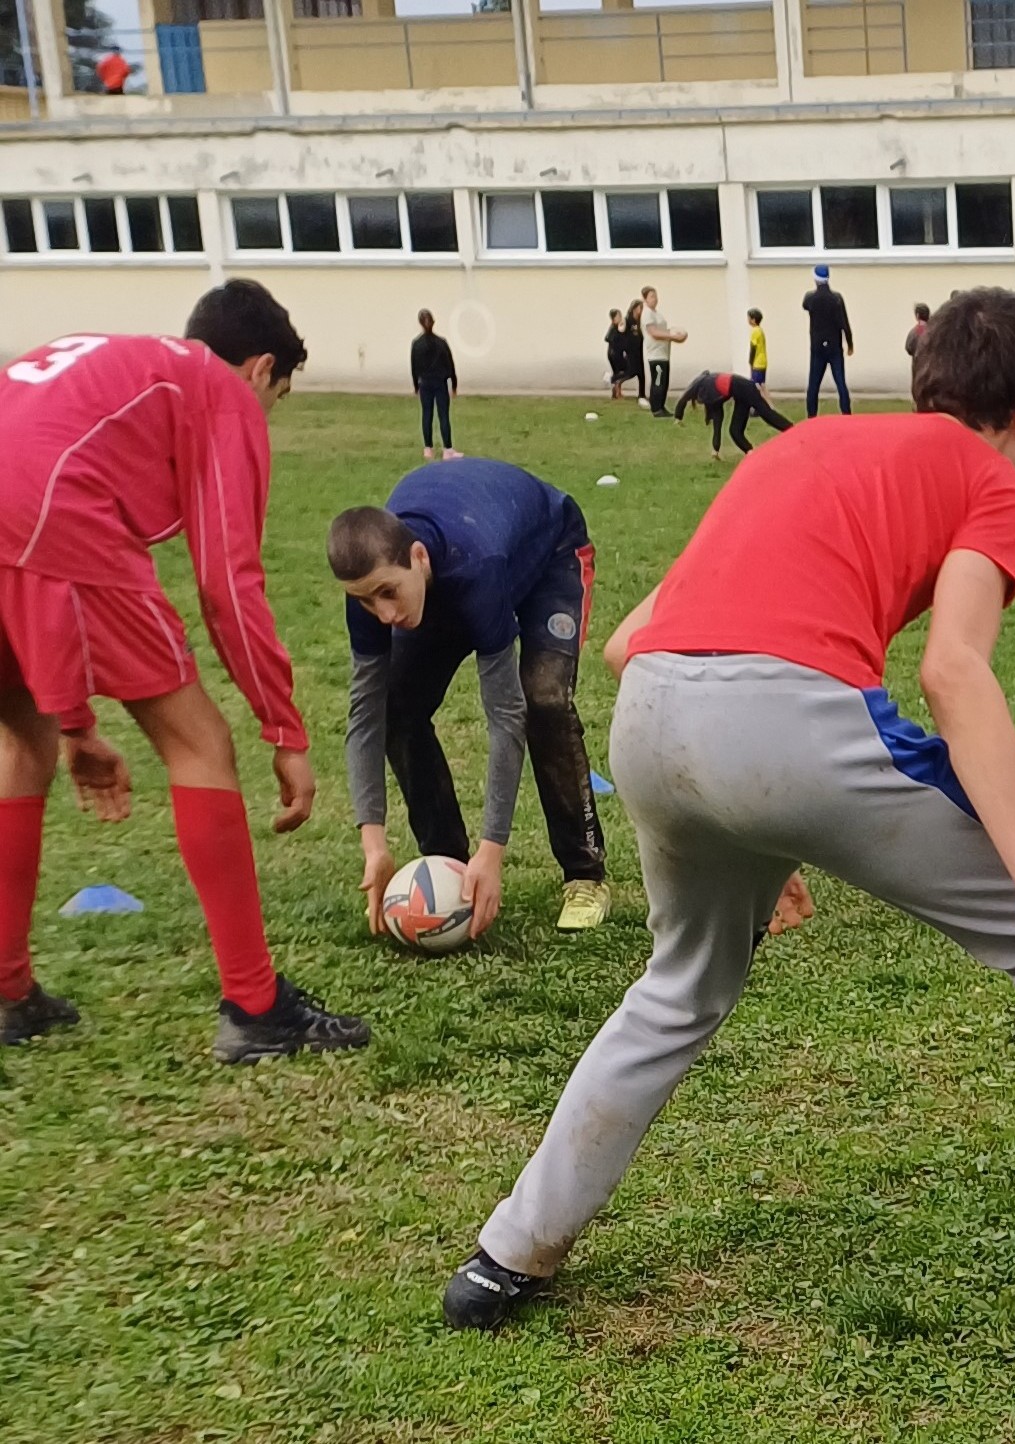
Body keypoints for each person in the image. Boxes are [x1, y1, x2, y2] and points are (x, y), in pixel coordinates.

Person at [441, 287, 1015, 1344]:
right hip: (781, 721)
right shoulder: (994, 480)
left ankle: (505, 1255)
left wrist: (757, 814)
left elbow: (624, 642)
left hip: (651, 723)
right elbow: (954, 672)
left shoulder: (800, 446)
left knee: (676, 990)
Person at [0, 281, 369, 1062]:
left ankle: (7, 991)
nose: (263, 419)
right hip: (52, 509)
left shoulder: (117, 358)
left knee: (20, 744)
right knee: (200, 743)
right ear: (260, 368)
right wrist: (283, 726)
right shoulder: (218, 391)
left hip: (23, 496)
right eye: (275, 399)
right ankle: (256, 1006)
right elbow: (225, 583)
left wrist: (76, 722)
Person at [328, 459, 611, 938]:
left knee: (542, 699)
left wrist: (493, 849)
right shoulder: (373, 592)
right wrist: (373, 844)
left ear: (417, 557)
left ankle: (584, 875)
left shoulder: (475, 569)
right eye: (366, 600)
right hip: (458, 567)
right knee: (396, 707)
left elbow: (505, 717)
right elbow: (365, 718)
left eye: (388, 593)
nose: (384, 613)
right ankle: (450, 866)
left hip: (549, 555)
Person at [673, 370, 792, 460]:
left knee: (767, 415)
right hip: (741, 394)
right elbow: (717, 421)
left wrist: (678, 418)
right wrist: (716, 450)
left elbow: (684, 398)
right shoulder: (710, 387)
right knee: (735, 431)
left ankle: (794, 431)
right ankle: (752, 454)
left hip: (746, 389)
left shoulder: (706, 388)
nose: (700, 403)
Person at [802, 264, 854, 418]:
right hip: (834, 346)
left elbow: (804, 305)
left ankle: (811, 415)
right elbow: (844, 322)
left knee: (814, 384)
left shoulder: (810, 298)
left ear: (816, 279)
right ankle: (846, 412)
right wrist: (850, 343)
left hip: (817, 346)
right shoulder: (836, 298)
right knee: (840, 382)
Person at [411, 309, 460, 461]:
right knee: (443, 415)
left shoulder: (416, 344)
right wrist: (454, 384)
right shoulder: (441, 343)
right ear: (433, 322)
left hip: (425, 383)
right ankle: (448, 449)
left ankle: (428, 448)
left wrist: (416, 386)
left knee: (427, 414)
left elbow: (414, 367)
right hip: (440, 383)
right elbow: (450, 365)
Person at [639, 287, 685, 418]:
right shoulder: (647, 313)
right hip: (656, 354)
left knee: (664, 381)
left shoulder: (656, 313)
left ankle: (661, 406)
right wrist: (672, 336)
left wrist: (675, 333)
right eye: (652, 296)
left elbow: (663, 330)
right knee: (658, 381)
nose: (655, 299)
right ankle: (656, 408)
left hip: (664, 352)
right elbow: (653, 332)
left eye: (656, 296)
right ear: (645, 299)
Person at [605, 309, 636, 400]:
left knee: (620, 372)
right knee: (627, 370)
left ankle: (617, 392)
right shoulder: (614, 328)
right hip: (614, 354)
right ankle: (613, 382)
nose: (620, 318)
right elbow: (608, 338)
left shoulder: (620, 327)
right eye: (618, 316)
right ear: (614, 319)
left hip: (616, 353)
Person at [746, 308, 768, 386]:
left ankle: (760, 398)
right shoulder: (760, 330)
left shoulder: (754, 331)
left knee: (755, 386)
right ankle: (765, 398)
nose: (747, 320)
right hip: (763, 362)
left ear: (753, 320)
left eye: (748, 318)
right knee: (762, 385)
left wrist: (750, 361)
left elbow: (753, 348)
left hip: (757, 363)